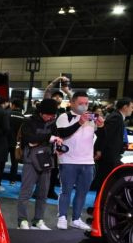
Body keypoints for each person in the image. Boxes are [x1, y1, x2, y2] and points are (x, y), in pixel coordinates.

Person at [55, 91, 104, 230]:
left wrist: (101, 126)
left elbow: (102, 138)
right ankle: (62, 216)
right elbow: (62, 133)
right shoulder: (64, 116)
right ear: (72, 103)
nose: (84, 106)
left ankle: (76, 218)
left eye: (86, 103)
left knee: (82, 192)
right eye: (81, 103)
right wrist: (80, 122)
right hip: (68, 160)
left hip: (88, 162)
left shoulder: (91, 118)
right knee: (66, 191)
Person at [17, 99, 63, 230]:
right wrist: (48, 138)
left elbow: (54, 138)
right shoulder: (29, 121)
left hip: (46, 160)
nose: (49, 117)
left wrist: (55, 143)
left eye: (52, 115)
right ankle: (22, 220)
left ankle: (38, 220)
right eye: (47, 114)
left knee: (43, 193)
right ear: (41, 112)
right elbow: (29, 139)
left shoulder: (52, 123)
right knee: (26, 192)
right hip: (30, 160)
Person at [93, 98, 133, 190]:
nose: (132, 109)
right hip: (108, 156)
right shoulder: (116, 117)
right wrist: (99, 150)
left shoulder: (118, 117)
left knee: (107, 182)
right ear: (125, 107)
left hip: (112, 155)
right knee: (104, 182)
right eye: (131, 107)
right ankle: (100, 199)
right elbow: (104, 135)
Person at [8, 98, 25, 184]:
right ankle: (12, 180)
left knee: (1, 161)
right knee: (15, 162)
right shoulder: (23, 117)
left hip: (7, 141)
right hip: (17, 143)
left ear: (13, 105)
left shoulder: (8, 114)